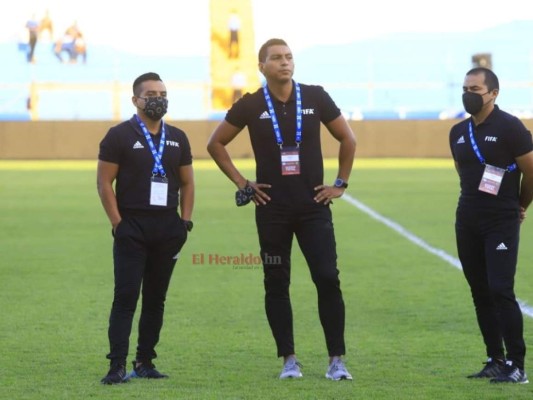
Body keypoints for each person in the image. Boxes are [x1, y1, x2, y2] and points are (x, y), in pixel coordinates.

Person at [207, 38, 356, 380]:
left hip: (314, 207)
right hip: (271, 210)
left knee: (327, 278)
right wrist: (243, 183)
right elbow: (215, 143)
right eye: (276, 58)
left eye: (288, 57)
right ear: (262, 66)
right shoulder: (250, 104)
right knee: (276, 281)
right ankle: (289, 359)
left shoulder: (315, 96)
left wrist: (340, 184)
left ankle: (337, 360)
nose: (284, 63)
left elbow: (348, 139)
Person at [97, 72, 195, 384]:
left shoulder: (178, 137)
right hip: (132, 227)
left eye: (162, 93)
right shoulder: (119, 135)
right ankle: (116, 365)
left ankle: (145, 361)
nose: (158, 99)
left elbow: (188, 182)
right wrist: (118, 224)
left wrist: (185, 222)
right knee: (126, 296)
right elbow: (103, 182)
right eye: (151, 94)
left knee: (156, 298)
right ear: (136, 100)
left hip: (168, 227)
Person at [449, 67, 533, 384]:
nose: (468, 94)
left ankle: (517, 365)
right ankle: (495, 359)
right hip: (467, 218)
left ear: (493, 93)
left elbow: (531, 172)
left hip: (501, 221)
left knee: (501, 289)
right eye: (465, 88)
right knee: (480, 291)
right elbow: (463, 172)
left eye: (475, 89)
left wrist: (519, 205)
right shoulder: (457, 131)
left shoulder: (511, 127)